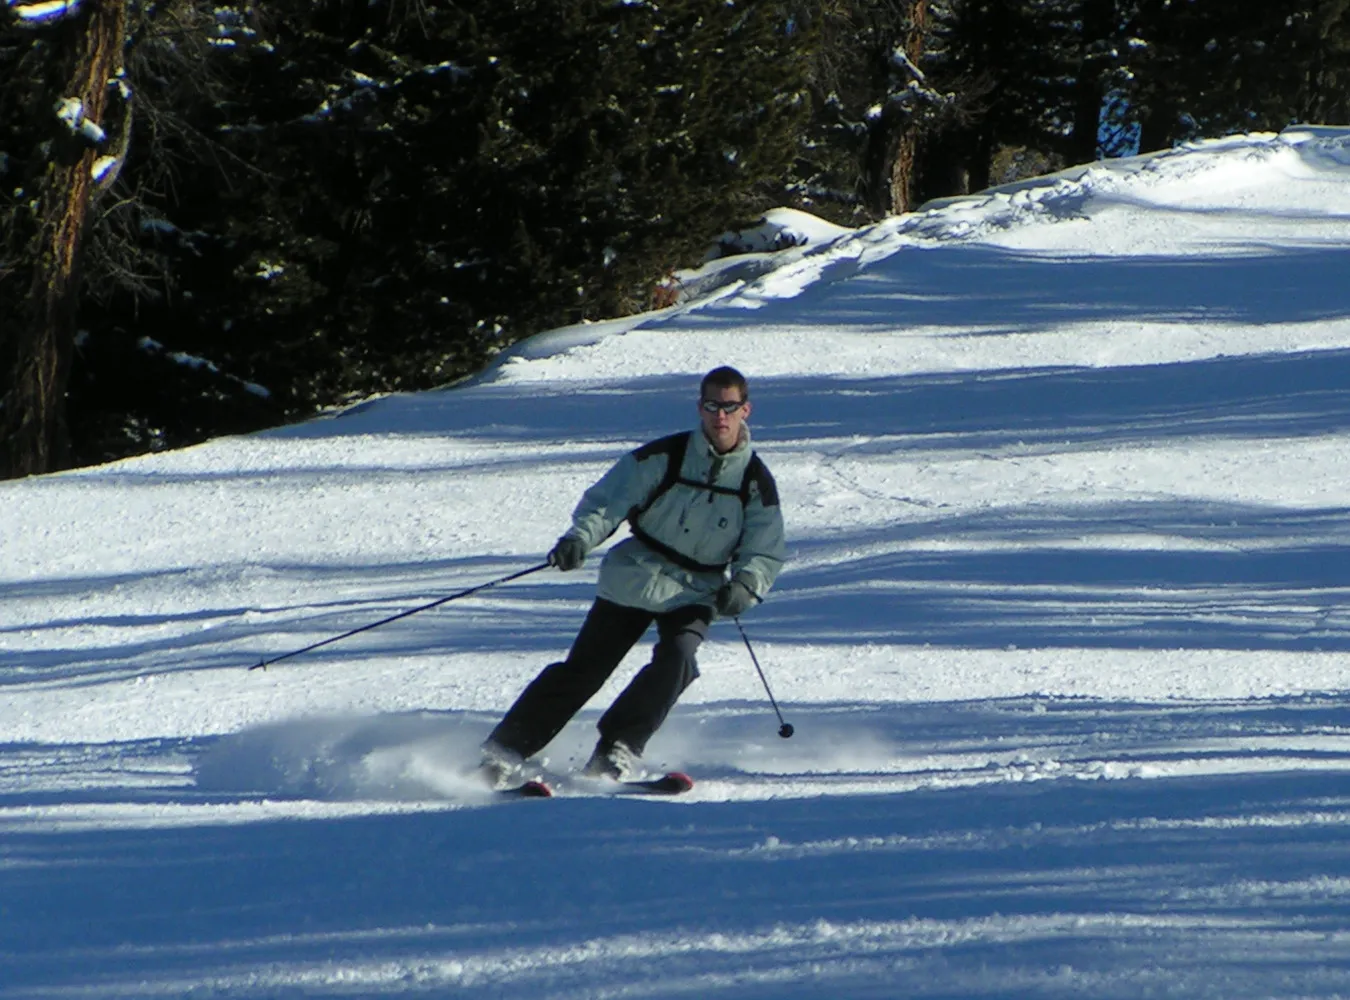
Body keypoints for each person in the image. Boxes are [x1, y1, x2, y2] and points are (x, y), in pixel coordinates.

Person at [479, 365, 786, 787]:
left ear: (745, 410)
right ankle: (504, 752)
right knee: (584, 671)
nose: (721, 416)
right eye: (712, 405)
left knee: (678, 660)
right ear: (700, 407)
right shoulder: (665, 456)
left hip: (697, 589)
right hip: (635, 573)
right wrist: (580, 540)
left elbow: (764, 549)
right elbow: (609, 501)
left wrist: (745, 586)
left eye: (730, 407)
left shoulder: (754, 481)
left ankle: (616, 750)